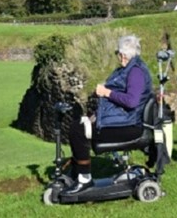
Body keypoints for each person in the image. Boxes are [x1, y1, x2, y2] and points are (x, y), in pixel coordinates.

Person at [62, 35, 153, 195]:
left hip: (129, 125)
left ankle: (84, 179)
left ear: (123, 55)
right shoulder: (129, 69)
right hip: (121, 119)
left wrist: (106, 92)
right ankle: (78, 173)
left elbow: (131, 101)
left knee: (78, 131)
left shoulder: (136, 72)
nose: (117, 56)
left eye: (117, 53)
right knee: (77, 125)